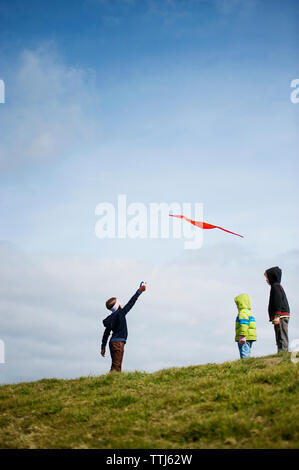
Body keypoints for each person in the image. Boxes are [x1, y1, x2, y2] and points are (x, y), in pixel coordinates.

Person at [101, 282, 146, 372]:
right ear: (118, 306)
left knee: (116, 365)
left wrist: (103, 347)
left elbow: (106, 333)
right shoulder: (121, 313)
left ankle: (113, 382)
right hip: (118, 343)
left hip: (112, 343)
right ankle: (111, 383)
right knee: (116, 367)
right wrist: (139, 291)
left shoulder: (111, 318)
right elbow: (131, 303)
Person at [264, 267, 290, 353]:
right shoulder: (276, 287)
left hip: (280, 316)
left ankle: (283, 352)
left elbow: (277, 301)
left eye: (267, 278)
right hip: (281, 315)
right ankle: (281, 351)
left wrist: (277, 315)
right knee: (279, 334)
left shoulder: (275, 287)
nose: (266, 280)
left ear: (272, 277)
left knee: (281, 335)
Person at [235, 293, 257, 359]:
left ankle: (245, 367)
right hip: (249, 337)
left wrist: (242, 335)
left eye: (237, 304)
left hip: (244, 337)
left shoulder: (242, 312)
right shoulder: (248, 312)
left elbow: (244, 324)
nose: (236, 306)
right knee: (247, 352)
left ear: (241, 303)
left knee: (244, 354)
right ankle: (248, 365)